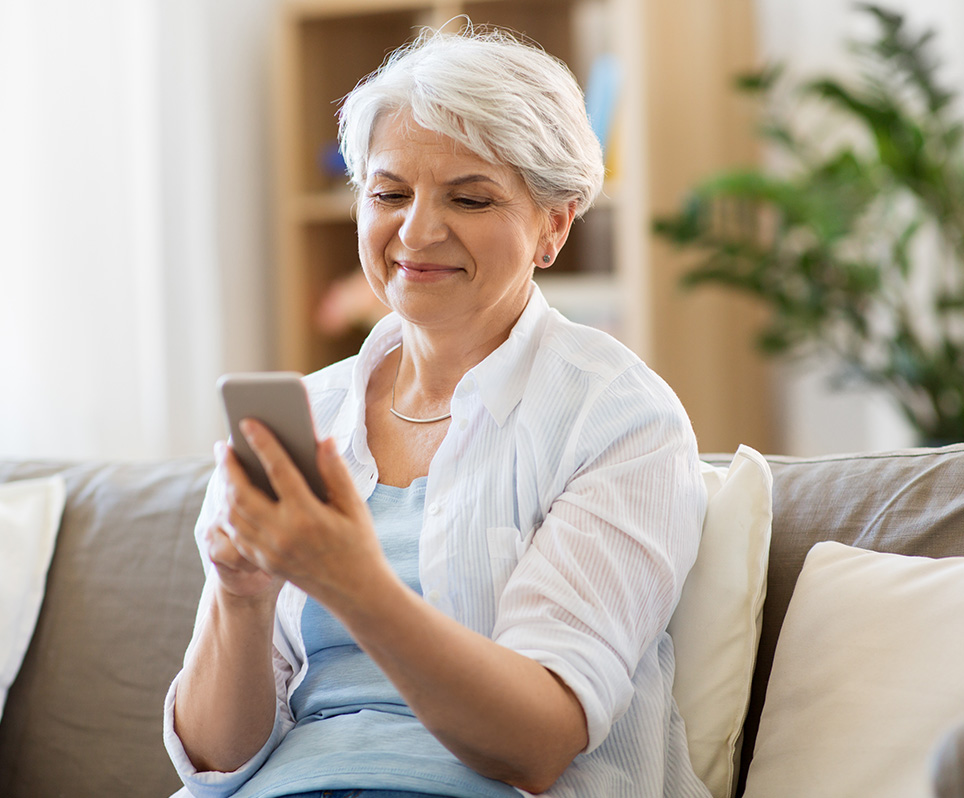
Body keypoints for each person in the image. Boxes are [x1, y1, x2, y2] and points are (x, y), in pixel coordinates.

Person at [164, 24, 711, 798]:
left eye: (471, 196)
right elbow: (215, 761)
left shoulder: (620, 419)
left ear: (554, 225)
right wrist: (239, 597)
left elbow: (537, 744)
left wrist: (353, 581)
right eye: (389, 193)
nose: (417, 231)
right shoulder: (311, 414)